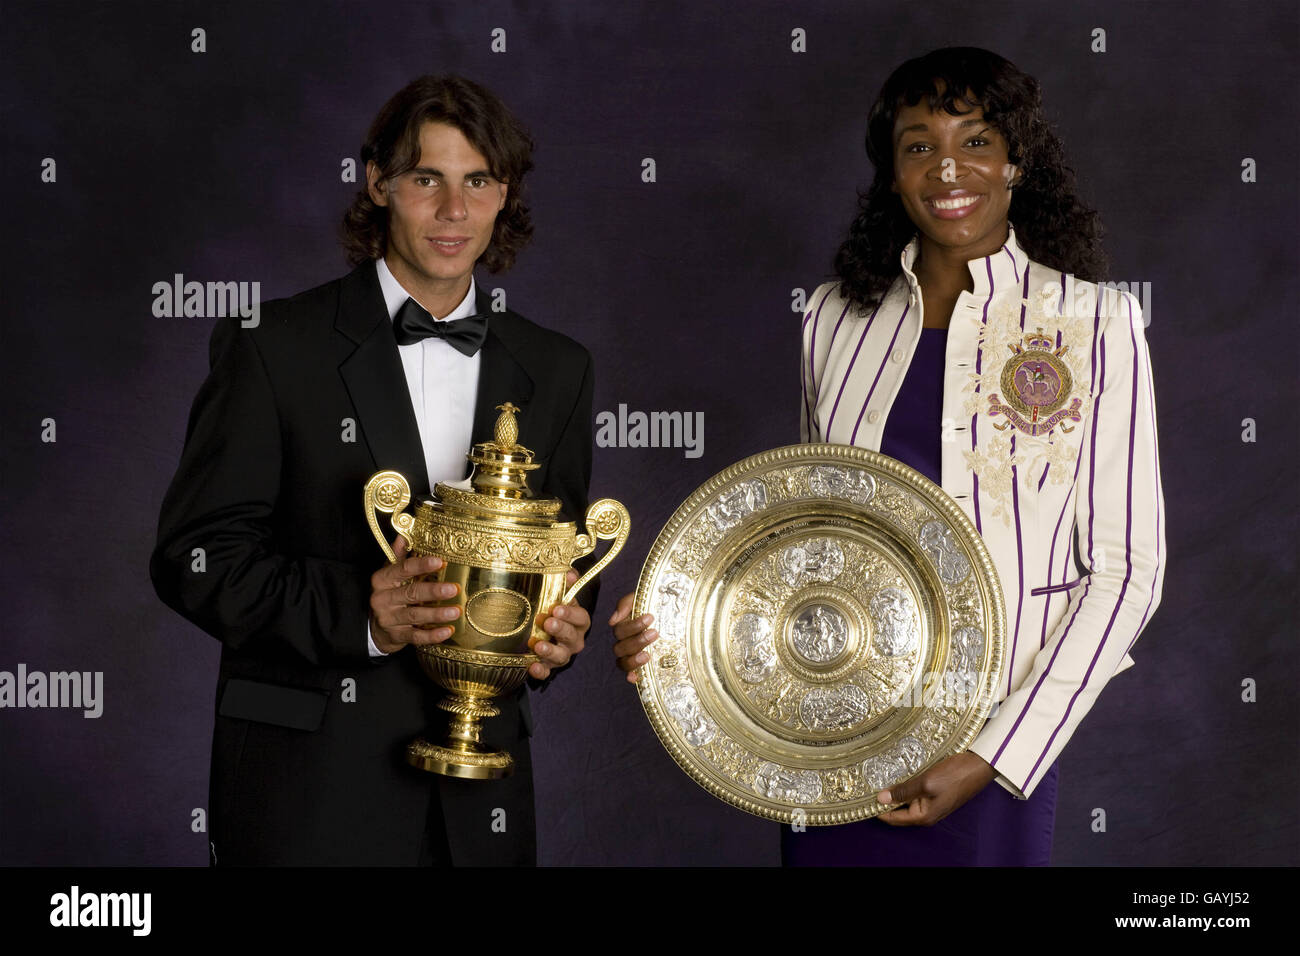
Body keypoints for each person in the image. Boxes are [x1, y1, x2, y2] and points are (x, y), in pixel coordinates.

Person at [611, 47, 1164, 866]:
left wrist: (997, 755)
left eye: (977, 141)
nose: (949, 169)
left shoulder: (1094, 322)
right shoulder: (834, 318)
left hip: (991, 741)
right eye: (919, 145)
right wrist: (680, 630)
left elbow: (1127, 570)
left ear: (1017, 160)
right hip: (829, 737)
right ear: (892, 171)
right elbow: (798, 536)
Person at [151, 74, 596, 866]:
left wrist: (556, 632)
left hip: (480, 802)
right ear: (379, 183)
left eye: (478, 181)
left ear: (505, 195)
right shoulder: (272, 345)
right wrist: (361, 611)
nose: (454, 211)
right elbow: (196, 559)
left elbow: (557, 566)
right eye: (428, 179)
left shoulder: (558, 369)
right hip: (308, 795)